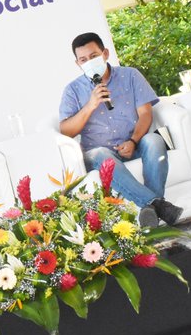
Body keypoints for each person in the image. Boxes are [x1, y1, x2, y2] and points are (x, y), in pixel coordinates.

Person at [58, 32, 182, 227]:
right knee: (99, 153)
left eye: (93, 56)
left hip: (134, 143)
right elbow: (66, 131)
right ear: (77, 63)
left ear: (105, 54)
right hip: (99, 153)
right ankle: (157, 205)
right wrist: (91, 105)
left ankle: (150, 211)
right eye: (83, 60)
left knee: (155, 140)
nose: (89, 62)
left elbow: (145, 114)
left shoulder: (130, 75)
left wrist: (133, 141)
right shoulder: (72, 90)